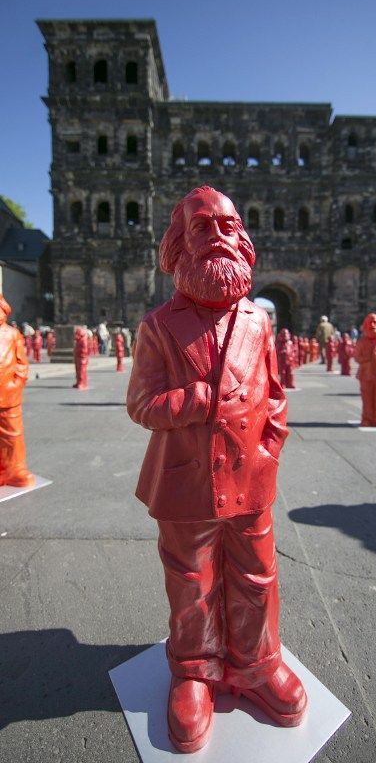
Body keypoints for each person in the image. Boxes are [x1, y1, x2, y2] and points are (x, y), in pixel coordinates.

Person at [127, 186, 307, 753]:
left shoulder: (258, 320)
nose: (218, 237)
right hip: (185, 480)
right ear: (179, 245)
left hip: (250, 478)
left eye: (228, 225)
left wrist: (269, 447)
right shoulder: (159, 324)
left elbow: (275, 396)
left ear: (244, 241)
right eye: (202, 227)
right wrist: (198, 400)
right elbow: (141, 405)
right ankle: (194, 671)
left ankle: (256, 663)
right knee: (192, 582)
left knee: (256, 574)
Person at [0, 295, 35, 487]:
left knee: (12, 434)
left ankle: (15, 470)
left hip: (8, 393)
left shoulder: (11, 333)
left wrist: (15, 385)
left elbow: (22, 364)